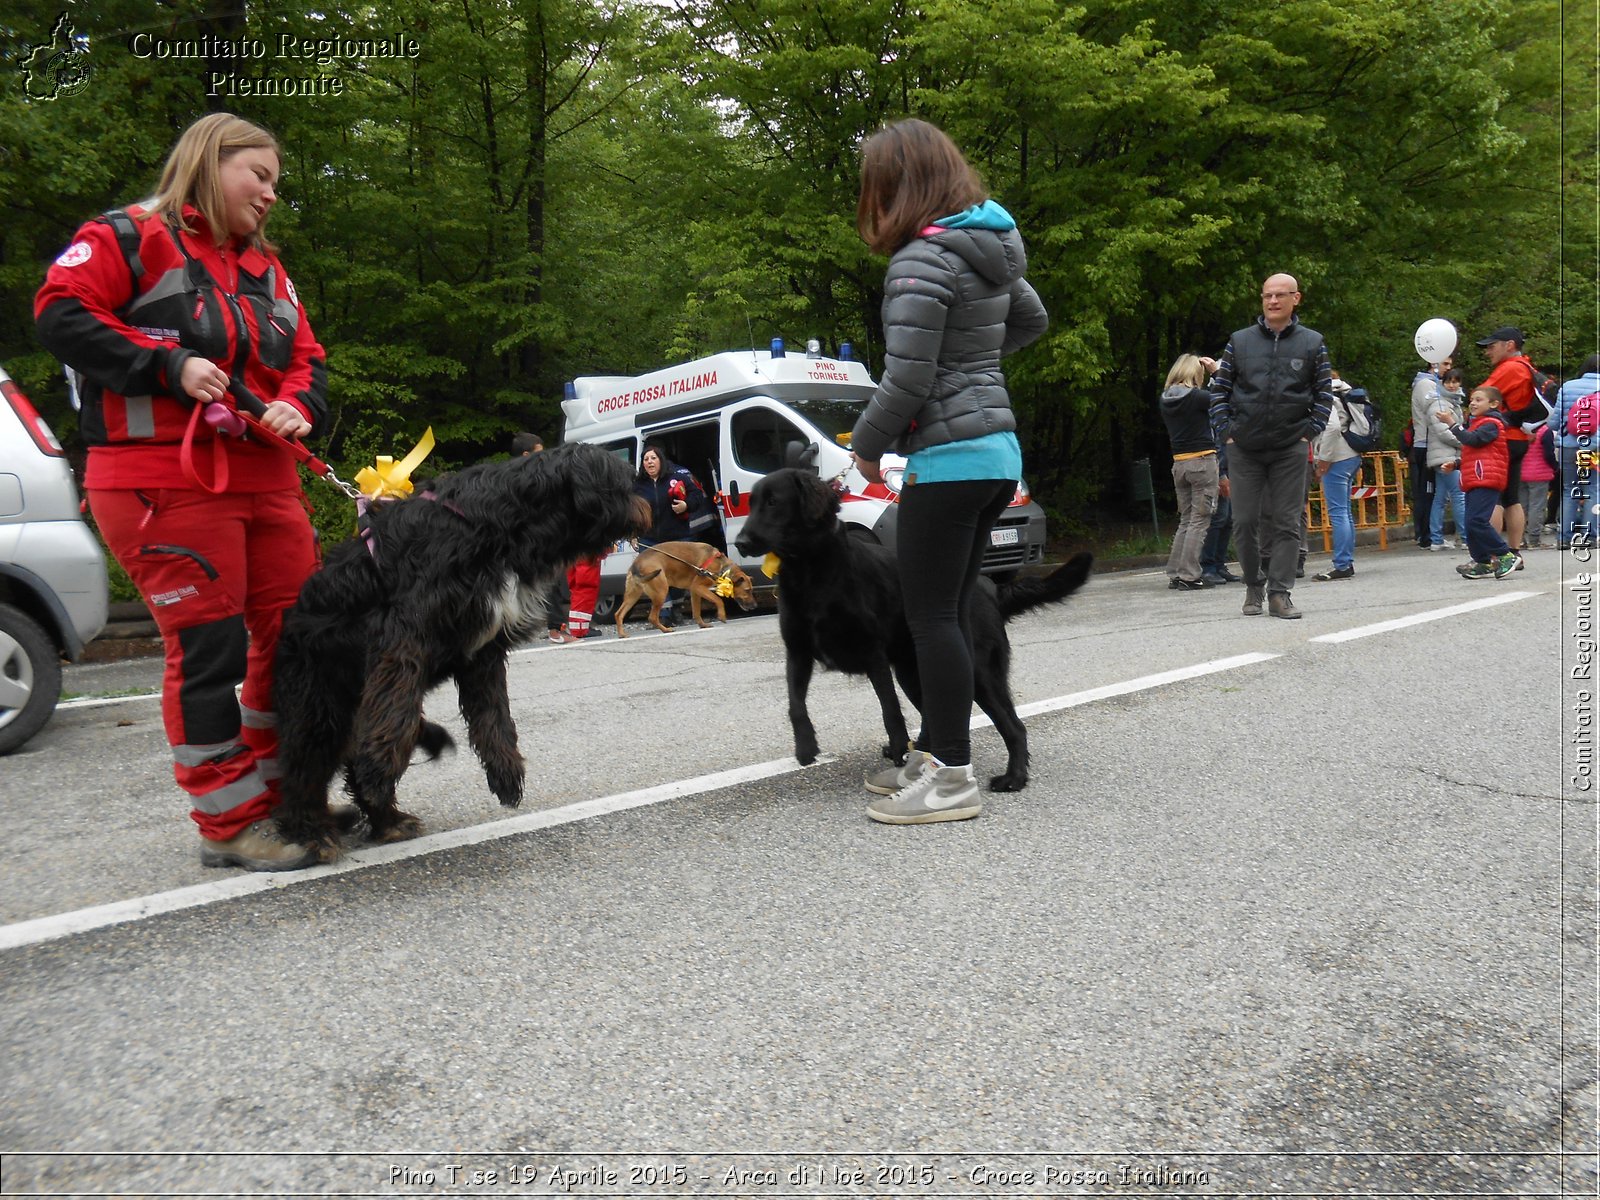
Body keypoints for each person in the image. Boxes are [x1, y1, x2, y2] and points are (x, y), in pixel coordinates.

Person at [34, 113, 328, 871]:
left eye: (276, 183)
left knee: (299, 636)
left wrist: (304, 405)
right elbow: (62, 316)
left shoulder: (268, 268)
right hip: (160, 478)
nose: (269, 194)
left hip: (265, 475)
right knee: (209, 647)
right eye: (257, 176)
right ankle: (227, 821)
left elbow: (306, 358)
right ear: (209, 159)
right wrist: (167, 367)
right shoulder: (125, 237)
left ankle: (283, 794)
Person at [847, 118, 1047, 824]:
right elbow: (1030, 321)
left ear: (897, 185)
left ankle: (952, 779)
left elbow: (905, 380)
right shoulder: (987, 252)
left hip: (950, 460)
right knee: (952, 612)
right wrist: (976, 369)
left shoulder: (919, 261)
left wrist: (864, 448)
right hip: (997, 456)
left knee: (928, 616)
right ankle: (938, 754)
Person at [1207, 272, 1334, 620]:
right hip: (1244, 448)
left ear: (1297, 298)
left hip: (1290, 447)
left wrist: (1308, 433)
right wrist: (1227, 433)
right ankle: (1253, 586)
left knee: (1287, 522)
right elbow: (1220, 390)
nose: (1273, 301)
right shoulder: (1240, 341)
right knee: (1245, 521)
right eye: (1267, 296)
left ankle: (1280, 593)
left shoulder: (1312, 342)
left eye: (1281, 295)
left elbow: (1324, 394)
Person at [1476, 326, 1545, 564]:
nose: (1488, 352)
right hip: (1518, 438)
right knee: (1512, 498)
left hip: (1500, 439)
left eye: (1492, 346)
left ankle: (1494, 555)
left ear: (1510, 345)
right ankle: (1514, 552)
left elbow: (1482, 397)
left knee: (1492, 498)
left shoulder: (1510, 368)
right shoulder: (1527, 366)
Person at [1437, 386, 1518, 579]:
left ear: (1493, 404)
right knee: (1470, 522)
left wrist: (1452, 424)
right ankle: (1482, 561)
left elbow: (1473, 441)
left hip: (1487, 479)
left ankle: (1505, 554)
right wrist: (1457, 464)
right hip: (1476, 478)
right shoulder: (1478, 424)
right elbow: (1478, 453)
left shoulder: (1492, 423)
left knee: (1477, 521)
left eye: (1479, 400)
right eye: (1472, 399)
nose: (1473, 403)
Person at [1158, 354, 1221, 590]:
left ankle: (1176, 572)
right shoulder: (1198, 397)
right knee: (1200, 520)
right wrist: (1216, 372)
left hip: (1179, 463)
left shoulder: (1165, 399)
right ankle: (1189, 574)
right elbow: (1227, 397)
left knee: (1186, 519)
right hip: (1202, 461)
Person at [632, 443, 709, 627]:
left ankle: (675, 609)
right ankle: (664, 613)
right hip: (649, 539)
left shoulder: (677, 477)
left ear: (661, 460)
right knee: (655, 575)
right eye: (646, 459)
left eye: (653, 458)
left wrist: (686, 505)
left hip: (677, 536)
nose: (649, 462)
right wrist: (633, 534)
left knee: (679, 574)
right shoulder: (637, 486)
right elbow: (631, 512)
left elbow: (697, 496)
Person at [514, 432, 576, 642]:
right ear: (526, 455)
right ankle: (556, 629)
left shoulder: (524, 477)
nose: (544, 457)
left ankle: (555, 627)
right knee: (551, 582)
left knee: (551, 583)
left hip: (537, 538)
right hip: (533, 540)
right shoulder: (524, 480)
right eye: (539, 453)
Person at [1311, 377, 1360, 581]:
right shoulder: (1342, 390)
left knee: (1338, 512)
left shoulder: (1323, 393)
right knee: (1345, 511)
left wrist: (1323, 459)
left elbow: (1331, 427)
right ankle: (1346, 561)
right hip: (1351, 454)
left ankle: (1341, 564)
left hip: (1336, 458)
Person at [1551, 353, 1600, 549]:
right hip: (1594, 447)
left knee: (1569, 490)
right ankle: (1589, 536)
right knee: (1593, 489)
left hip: (1567, 445)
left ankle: (1564, 537)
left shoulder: (1568, 386)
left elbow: (1553, 421)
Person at [1426, 369, 1467, 550]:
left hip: (1441, 456)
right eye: (1448, 381)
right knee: (1459, 495)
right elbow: (1443, 431)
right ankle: (1465, 537)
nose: (1452, 385)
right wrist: (1464, 443)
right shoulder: (1440, 404)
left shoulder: (1451, 402)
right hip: (1446, 455)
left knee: (1440, 498)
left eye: (1455, 381)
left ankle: (1436, 539)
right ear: (1442, 383)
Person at [1409, 356, 1448, 548]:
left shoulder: (1433, 384)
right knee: (1427, 492)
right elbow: (1436, 411)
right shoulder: (1426, 384)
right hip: (1425, 444)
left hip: (1431, 443)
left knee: (1435, 492)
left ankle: (1432, 534)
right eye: (1446, 364)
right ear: (1433, 364)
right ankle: (1426, 536)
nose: (1449, 368)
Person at [1519, 420, 1556, 549]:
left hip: (1520, 472)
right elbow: (1548, 454)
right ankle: (1534, 540)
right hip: (1539, 474)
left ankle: (1519, 539)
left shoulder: (1520, 429)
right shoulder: (1545, 430)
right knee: (1537, 506)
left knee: (1521, 507)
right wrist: (1555, 466)